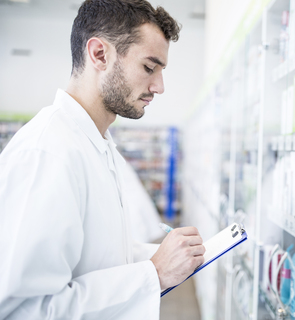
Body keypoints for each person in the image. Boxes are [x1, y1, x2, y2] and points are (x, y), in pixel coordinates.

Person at [0, 0, 205, 319]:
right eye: (149, 68)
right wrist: (154, 272)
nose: (159, 87)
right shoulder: (47, 153)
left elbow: (99, 257)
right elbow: (25, 310)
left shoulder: (98, 144)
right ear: (99, 54)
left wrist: (168, 256)